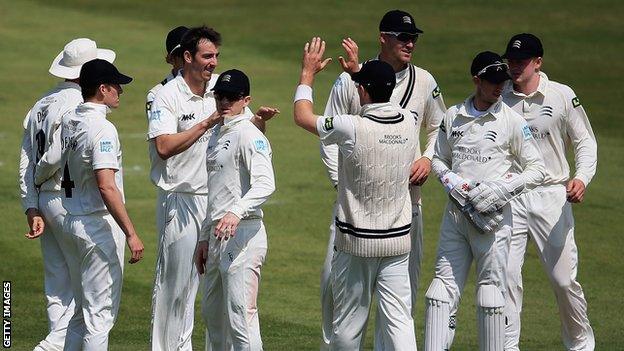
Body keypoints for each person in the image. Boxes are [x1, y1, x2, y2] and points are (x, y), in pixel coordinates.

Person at [319, 10, 446, 348]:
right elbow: (329, 141)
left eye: (414, 38)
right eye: (403, 37)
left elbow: (438, 128)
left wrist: (427, 158)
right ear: (383, 38)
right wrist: (344, 185)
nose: (410, 43)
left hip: (405, 209)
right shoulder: (349, 81)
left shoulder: (425, 82)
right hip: (351, 211)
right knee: (336, 297)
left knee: (399, 305)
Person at [147, 25, 279, 350]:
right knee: (176, 290)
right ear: (187, 57)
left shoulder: (218, 93)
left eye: (217, 56)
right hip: (181, 199)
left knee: (220, 307)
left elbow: (246, 136)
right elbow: (163, 146)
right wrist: (207, 121)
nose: (213, 63)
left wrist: (258, 122)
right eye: (207, 56)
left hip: (219, 207)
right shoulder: (164, 95)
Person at [295, 37, 418, 350]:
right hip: (397, 241)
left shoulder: (351, 126)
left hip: (356, 243)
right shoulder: (408, 121)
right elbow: (376, 89)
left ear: (362, 89)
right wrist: (358, 72)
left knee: (349, 325)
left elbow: (302, 116)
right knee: (400, 321)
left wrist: (307, 76)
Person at [424, 51, 545, 351]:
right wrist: (452, 181)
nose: (499, 87)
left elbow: (537, 169)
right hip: (455, 218)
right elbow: (439, 159)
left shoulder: (512, 121)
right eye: (492, 81)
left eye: (502, 81)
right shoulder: (453, 116)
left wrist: (499, 191)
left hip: (492, 222)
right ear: (476, 80)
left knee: (491, 295)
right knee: (440, 293)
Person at [17, 38, 115, 351]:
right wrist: (42, 177)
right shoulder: (78, 105)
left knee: (58, 288)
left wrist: (31, 206)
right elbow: (54, 155)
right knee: (88, 293)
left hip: (46, 201)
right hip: (70, 200)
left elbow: (26, 158)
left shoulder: (41, 103)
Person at [501, 33, 597, 351]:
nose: (514, 66)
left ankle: (581, 344)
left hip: (552, 195)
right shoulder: (499, 95)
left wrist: (581, 178)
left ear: (538, 62)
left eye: (521, 61)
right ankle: (506, 346)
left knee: (563, 280)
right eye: (511, 60)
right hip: (511, 196)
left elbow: (585, 142)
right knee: (506, 278)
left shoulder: (561, 95)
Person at [59, 58, 144, 350]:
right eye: (116, 86)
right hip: (96, 225)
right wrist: (131, 232)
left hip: (71, 222)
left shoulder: (70, 120)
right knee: (99, 316)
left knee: (82, 313)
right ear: (103, 89)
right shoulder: (103, 129)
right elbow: (106, 186)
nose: (120, 90)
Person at [195, 69, 275, 351]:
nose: (224, 102)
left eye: (231, 97)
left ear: (246, 100)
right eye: (219, 96)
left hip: (243, 235)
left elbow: (266, 183)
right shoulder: (217, 133)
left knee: (241, 319)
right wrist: (204, 238)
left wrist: (236, 212)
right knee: (213, 318)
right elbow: (216, 192)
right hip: (217, 235)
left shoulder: (248, 134)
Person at [146, 25, 188, 118]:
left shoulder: (214, 85)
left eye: (193, 53)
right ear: (170, 59)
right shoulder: (156, 94)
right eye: (182, 55)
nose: (188, 59)